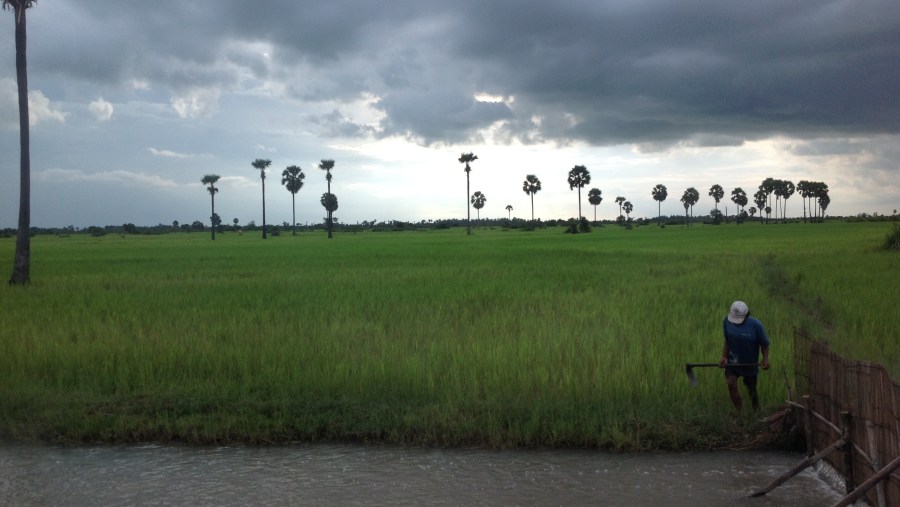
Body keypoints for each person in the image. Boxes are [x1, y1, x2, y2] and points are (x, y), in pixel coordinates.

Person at [719, 301, 770, 411]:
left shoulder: (756, 325)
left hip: (749, 362)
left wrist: (765, 359)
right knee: (731, 383)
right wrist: (724, 356)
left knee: (751, 388)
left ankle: (756, 410)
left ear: (747, 315)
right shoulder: (726, 322)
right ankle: (740, 412)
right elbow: (727, 341)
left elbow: (764, 344)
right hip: (733, 360)